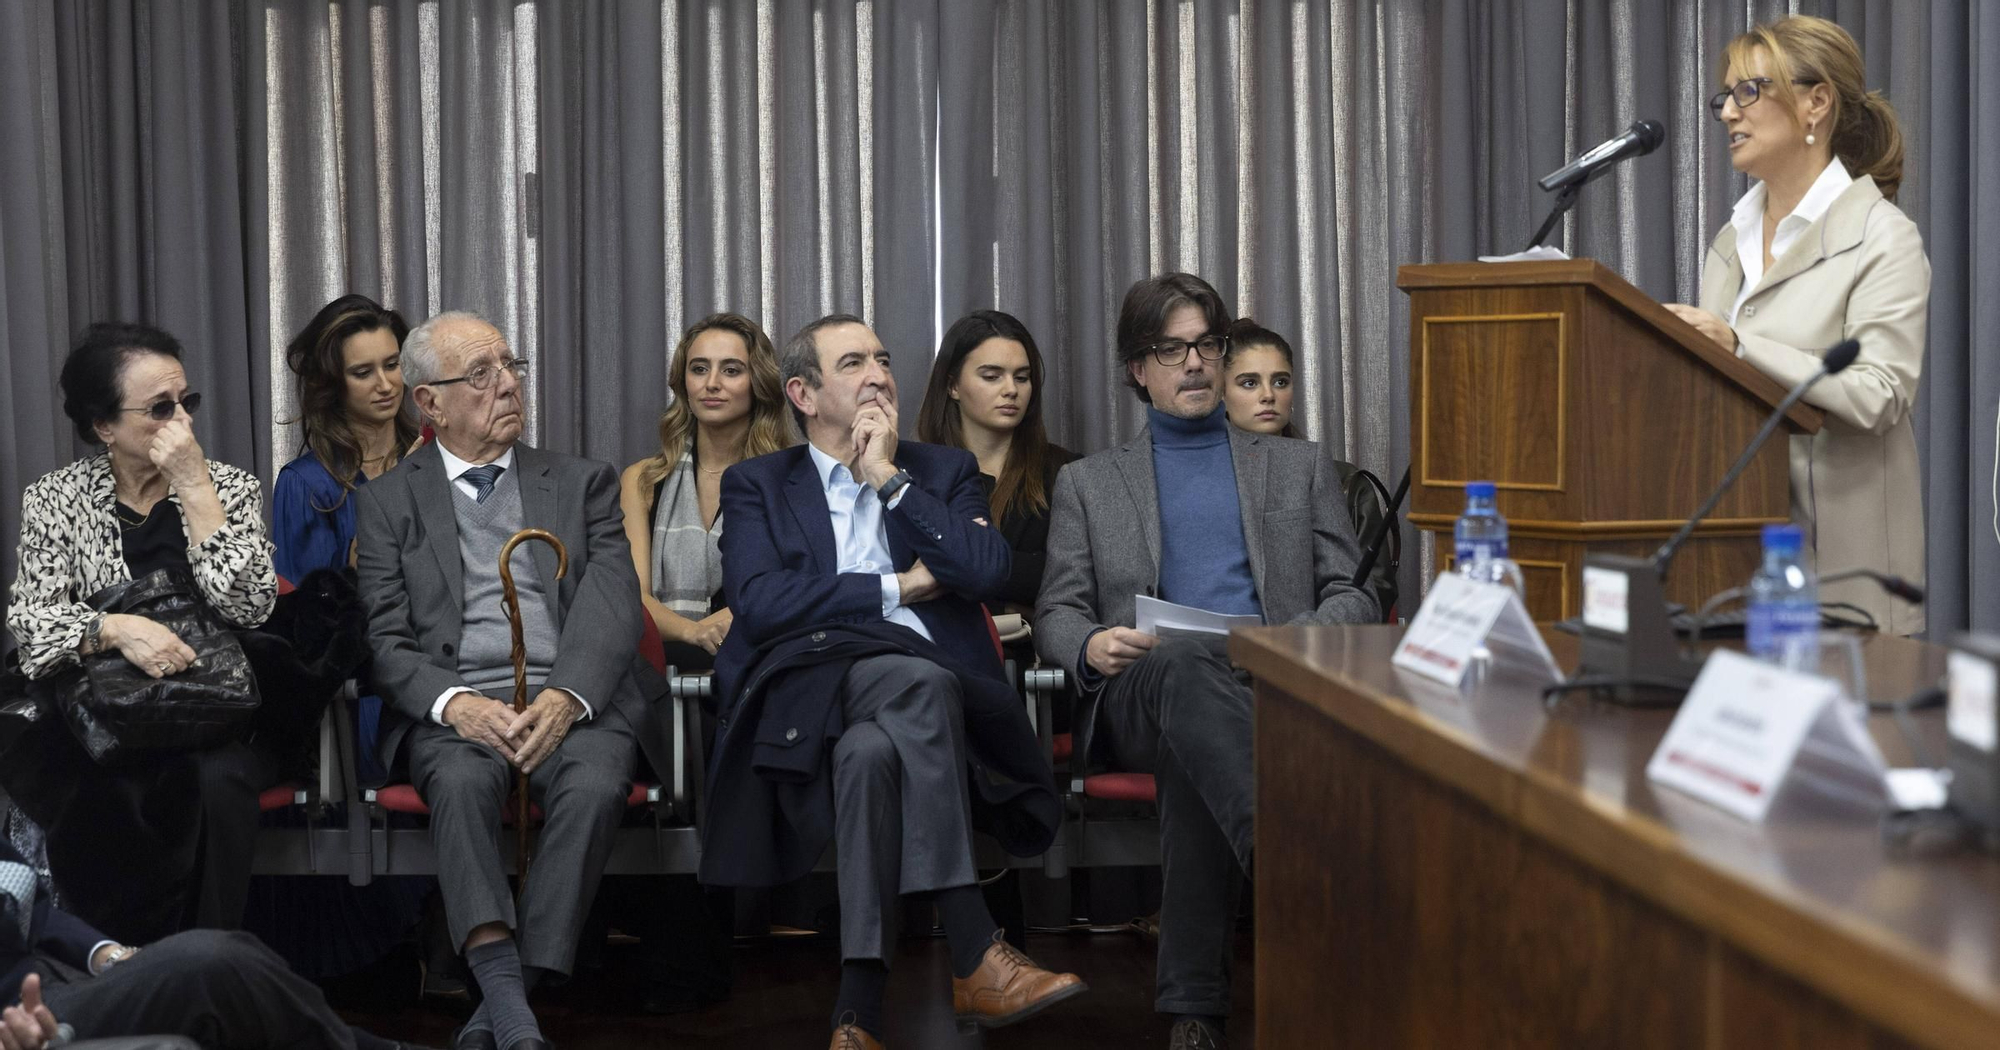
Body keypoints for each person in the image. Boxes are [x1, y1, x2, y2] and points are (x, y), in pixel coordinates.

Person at [699, 314, 1085, 1050]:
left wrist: (886, 478)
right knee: (918, 684)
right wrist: (897, 590)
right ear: (804, 393)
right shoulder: (759, 484)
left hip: (921, 709)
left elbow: (988, 572)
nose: (878, 373)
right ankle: (972, 945)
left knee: (873, 754)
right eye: (854, 363)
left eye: (883, 357)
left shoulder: (940, 472)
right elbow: (760, 602)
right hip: (810, 692)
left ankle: (857, 1012)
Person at [1036, 273, 1378, 1050]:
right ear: (1138, 368)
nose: (1194, 363)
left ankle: (1195, 1014)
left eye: (1207, 345)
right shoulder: (1088, 483)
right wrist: (1090, 645)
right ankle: (1288, 855)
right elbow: (1057, 610)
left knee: (1201, 745)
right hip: (1138, 694)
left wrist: (1297, 636)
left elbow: (1353, 595)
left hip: (1269, 684)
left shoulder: (1294, 466)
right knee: (1184, 674)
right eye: (1172, 348)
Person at [353, 312, 672, 1050]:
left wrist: (565, 698)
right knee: (461, 785)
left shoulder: (582, 481)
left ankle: (505, 999)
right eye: (480, 374)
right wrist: (456, 703)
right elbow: (385, 640)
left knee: (593, 786)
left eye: (510, 365)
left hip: (578, 701)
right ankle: (511, 1002)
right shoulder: (387, 502)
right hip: (456, 708)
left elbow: (613, 605)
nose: (507, 385)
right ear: (427, 403)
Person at [3, 322, 281, 946]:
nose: (181, 421)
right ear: (104, 425)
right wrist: (115, 628)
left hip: (212, 712)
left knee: (218, 783)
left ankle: (206, 968)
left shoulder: (229, 487)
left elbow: (252, 605)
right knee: (89, 793)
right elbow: (34, 624)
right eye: (160, 408)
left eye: (188, 402)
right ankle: (112, 974)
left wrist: (193, 485)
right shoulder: (55, 499)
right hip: (105, 716)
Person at [1664, 14, 1928, 636]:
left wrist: (1740, 345)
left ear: (1816, 104)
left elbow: (1878, 395)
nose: (1729, 111)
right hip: (1734, 571)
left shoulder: (1881, 238)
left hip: (1846, 587)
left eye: (1749, 91)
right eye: (1725, 96)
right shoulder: (1731, 242)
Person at [260, 293, 435, 985]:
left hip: (448, 662)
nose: (386, 384)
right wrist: (361, 571)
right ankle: (390, 948)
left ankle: (452, 938)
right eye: (364, 372)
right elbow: (308, 623)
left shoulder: (438, 458)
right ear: (333, 385)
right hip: (357, 681)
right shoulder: (305, 484)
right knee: (370, 724)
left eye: (393, 364)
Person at [0, 836, 436, 1050]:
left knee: (229, 958)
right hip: (22, 1013)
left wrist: (108, 955)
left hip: (54, 975)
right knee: (213, 964)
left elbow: (33, 906)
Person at [618, 313, 792, 672]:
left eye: (731, 370)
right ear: (683, 383)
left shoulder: (790, 479)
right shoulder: (642, 481)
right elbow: (632, 596)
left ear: (757, 381)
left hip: (759, 658)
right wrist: (694, 633)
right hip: (659, 664)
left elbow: (784, 587)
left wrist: (724, 626)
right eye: (699, 369)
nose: (712, 383)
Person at [915, 310, 1079, 624]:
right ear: (952, 386)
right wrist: (1008, 602)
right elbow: (901, 579)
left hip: (1039, 659)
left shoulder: (1066, 472)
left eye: (1022, 377)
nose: (1011, 390)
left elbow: (1067, 577)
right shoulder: (916, 474)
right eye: (991, 376)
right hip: (939, 658)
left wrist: (955, 559)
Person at [1219, 318, 1298, 438]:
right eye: (1249, 383)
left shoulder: (1316, 455)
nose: (1268, 396)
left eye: (1280, 382)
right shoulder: (1201, 456)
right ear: (1221, 394)